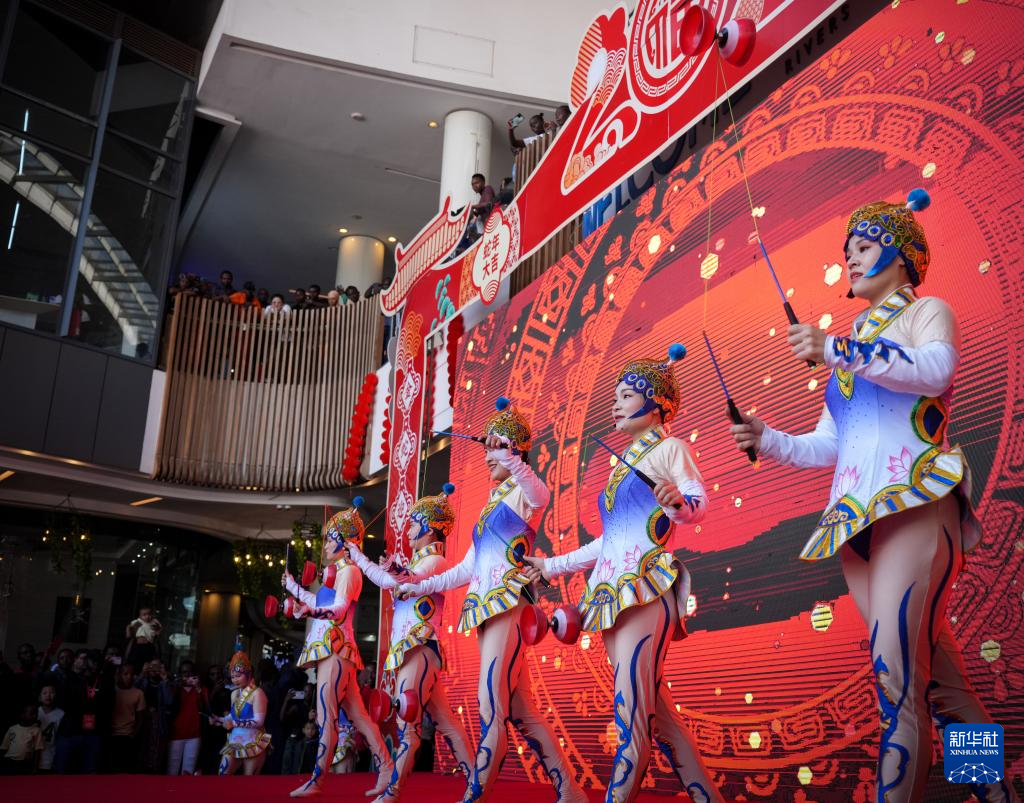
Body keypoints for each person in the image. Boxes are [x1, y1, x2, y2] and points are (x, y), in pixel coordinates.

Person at [729, 189, 1018, 803]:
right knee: (940, 684)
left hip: (914, 504)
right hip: (857, 524)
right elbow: (834, 445)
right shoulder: (850, 348)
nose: (852, 259)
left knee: (895, 681)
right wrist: (767, 438)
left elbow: (936, 372)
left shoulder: (926, 312)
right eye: (849, 251)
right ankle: (996, 795)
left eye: (863, 247)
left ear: (899, 254)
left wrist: (838, 349)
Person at [524, 346, 722, 803]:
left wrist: (679, 503)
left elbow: (697, 504)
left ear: (657, 405)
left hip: (645, 590)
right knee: (657, 717)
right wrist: (551, 565)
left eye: (627, 396)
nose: (615, 404)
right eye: (615, 396)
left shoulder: (670, 448)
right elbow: (609, 541)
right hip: (613, 594)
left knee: (631, 718)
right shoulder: (625, 463)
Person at [397, 398, 587, 803]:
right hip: (486, 608)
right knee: (521, 711)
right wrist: (419, 586)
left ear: (516, 450)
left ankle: (476, 793)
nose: (489, 456)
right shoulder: (492, 503)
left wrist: (512, 459)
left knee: (490, 703)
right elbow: (467, 568)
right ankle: (571, 791)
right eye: (488, 448)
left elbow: (542, 495)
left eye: (498, 446)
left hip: (509, 605)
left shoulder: (523, 492)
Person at [346, 483, 474, 801]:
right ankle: (477, 781)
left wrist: (377, 563)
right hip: (415, 651)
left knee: (409, 725)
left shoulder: (435, 562)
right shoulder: (420, 563)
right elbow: (392, 579)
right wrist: (360, 557)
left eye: (414, 525)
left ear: (430, 529)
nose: (409, 531)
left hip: (419, 648)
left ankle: (393, 791)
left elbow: (404, 580)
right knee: (446, 722)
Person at [281, 499, 393, 797]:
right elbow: (320, 602)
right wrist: (294, 589)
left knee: (326, 716)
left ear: (345, 543)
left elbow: (340, 609)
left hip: (336, 650)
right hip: (333, 650)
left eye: (331, 539)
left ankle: (317, 779)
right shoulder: (336, 573)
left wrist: (309, 610)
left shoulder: (350, 572)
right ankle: (387, 768)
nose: (326, 545)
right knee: (358, 717)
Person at [213, 651, 270, 776]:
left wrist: (233, 723)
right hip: (235, 739)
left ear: (248, 674)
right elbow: (233, 715)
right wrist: (220, 719)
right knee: (222, 773)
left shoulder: (258, 693)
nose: (235, 680)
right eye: (233, 677)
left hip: (253, 740)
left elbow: (259, 721)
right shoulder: (234, 693)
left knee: (248, 779)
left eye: (238, 676)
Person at [167, 660, 207, 776]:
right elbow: (169, 704)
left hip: (194, 735)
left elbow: (204, 708)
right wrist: (176, 686)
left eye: (191, 672)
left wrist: (198, 688)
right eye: (184, 672)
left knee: (188, 771)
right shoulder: (175, 688)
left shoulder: (201, 689)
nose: (188, 675)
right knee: (172, 770)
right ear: (180, 674)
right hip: (175, 734)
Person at [108, 663, 145, 773]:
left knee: (126, 769)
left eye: (132, 674)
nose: (129, 677)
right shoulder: (111, 691)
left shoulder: (138, 693)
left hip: (128, 735)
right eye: (125, 674)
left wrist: (134, 733)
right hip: (111, 734)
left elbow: (141, 717)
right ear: (119, 674)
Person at [1, 703, 42, 774]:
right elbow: (4, 747)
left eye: (36, 714)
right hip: (10, 762)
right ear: (22, 715)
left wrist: (35, 768)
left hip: (25, 763)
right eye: (32, 713)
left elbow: (38, 750)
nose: (35, 716)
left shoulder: (36, 730)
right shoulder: (12, 729)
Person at [126, 606, 162, 672]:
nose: (147, 616)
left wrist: (157, 631)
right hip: (138, 645)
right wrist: (128, 632)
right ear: (140, 616)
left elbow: (159, 628)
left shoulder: (154, 621)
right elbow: (129, 627)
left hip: (149, 645)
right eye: (144, 615)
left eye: (149, 614)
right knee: (136, 662)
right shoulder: (138, 622)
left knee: (147, 663)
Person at [36, 685, 63, 772]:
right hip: (34, 757)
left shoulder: (61, 714)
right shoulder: (35, 712)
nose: (48, 695)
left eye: (51, 693)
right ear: (39, 697)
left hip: (51, 757)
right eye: (45, 693)